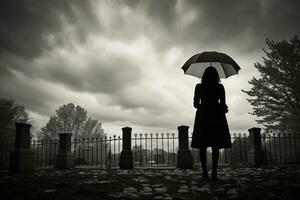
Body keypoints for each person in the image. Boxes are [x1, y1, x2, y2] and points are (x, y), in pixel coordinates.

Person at [191, 66, 232, 180]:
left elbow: (195, 104)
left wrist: (204, 107)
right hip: (216, 117)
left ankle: (204, 172)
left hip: (203, 117)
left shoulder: (199, 87)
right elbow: (223, 104)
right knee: (215, 145)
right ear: (217, 76)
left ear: (204, 76)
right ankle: (214, 172)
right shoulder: (220, 87)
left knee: (202, 145)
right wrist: (220, 108)